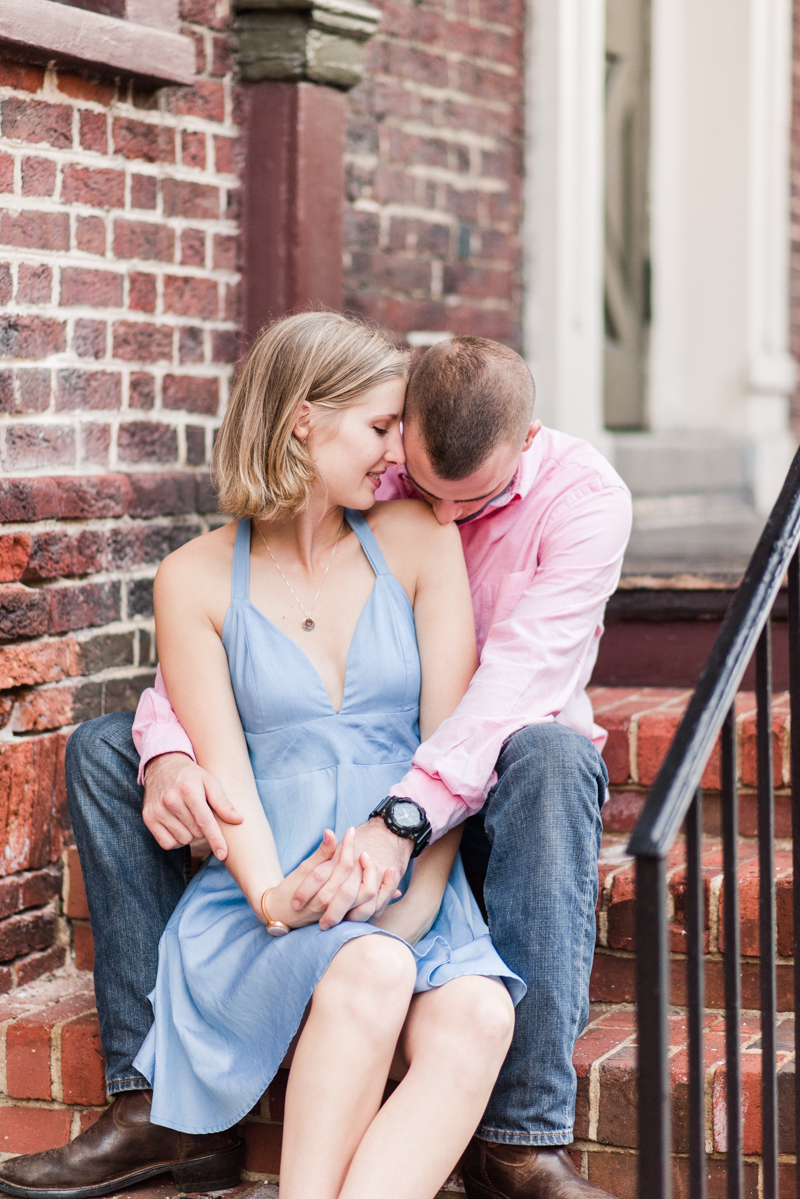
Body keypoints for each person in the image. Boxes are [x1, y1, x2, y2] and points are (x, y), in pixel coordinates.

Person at [0, 329, 632, 1199]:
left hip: (433, 838)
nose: (408, 478)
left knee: (483, 999)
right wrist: (185, 777)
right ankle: (155, 1109)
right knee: (110, 747)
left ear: (520, 449)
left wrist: (406, 896)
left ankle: (520, 1141)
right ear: (304, 424)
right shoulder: (200, 574)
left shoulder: (458, 521)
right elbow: (196, 705)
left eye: (390, 434)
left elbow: (468, 729)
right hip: (284, 877)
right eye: (385, 432)